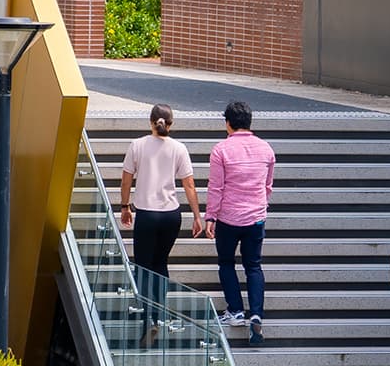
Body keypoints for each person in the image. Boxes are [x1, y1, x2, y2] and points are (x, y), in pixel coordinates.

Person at [118, 104, 198, 347]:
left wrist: (124, 206)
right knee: (160, 263)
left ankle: (149, 319)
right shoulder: (179, 148)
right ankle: (160, 314)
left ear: (150, 122)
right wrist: (197, 216)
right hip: (172, 215)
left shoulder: (138, 145)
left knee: (143, 267)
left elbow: (126, 178)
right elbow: (189, 185)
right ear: (170, 124)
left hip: (147, 215)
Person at [200, 100, 276, 344]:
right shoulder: (266, 149)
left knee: (226, 262)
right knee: (253, 265)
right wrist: (260, 207)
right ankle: (256, 314)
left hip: (229, 218)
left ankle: (235, 310)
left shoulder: (220, 150)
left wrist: (210, 215)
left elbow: (216, 187)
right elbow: (268, 186)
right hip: (255, 218)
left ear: (228, 123)